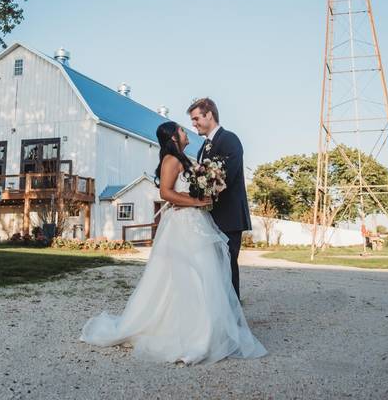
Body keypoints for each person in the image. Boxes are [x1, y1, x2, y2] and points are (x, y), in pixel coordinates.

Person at [79, 121, 266, 365]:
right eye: (181, 129)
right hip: (182, 225)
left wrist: (205, 191)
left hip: (197, 222)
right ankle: (190, 335)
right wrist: (197, 202)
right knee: (187, 275)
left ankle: (208, 331)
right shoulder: (171, 159)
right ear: (173, 137)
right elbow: (165, 193)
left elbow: (187, 190)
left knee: (204, 275)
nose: (186, 131)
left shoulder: (187, 158)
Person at [188, 97, 251, 299]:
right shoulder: (202, 148)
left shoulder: (229, 139)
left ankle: (233, 315)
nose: (193, 123)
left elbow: (227, 177)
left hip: (229, 216)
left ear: (210, 115)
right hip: (211, 217)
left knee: (227, 266)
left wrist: (202, 192)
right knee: (213, 268)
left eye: (196, 118)